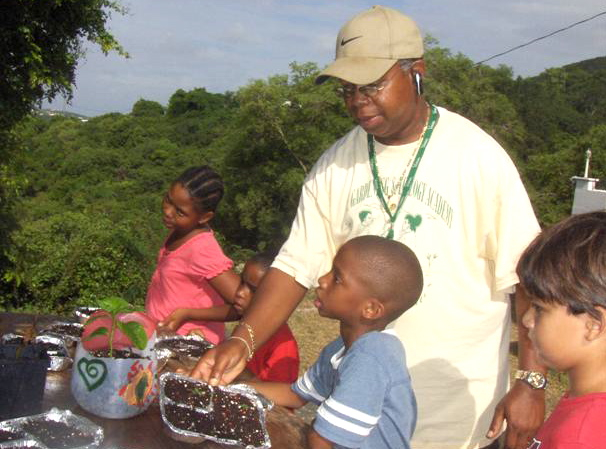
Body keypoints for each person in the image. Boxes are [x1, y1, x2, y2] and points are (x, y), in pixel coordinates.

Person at [192, 6, 544, 448]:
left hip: (457, 416)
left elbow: (528, 277)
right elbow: (297, 264)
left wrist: (532, 380)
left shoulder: (477, 157)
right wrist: (241, 342)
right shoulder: (334, 166)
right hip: (359, 420)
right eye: (347, 89)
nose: (358, 100)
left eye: (373, 85)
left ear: (416, 71)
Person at [247, 236, 422, 449]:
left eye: (337, 278)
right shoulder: (340, 348)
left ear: (371, 309)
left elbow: (322, 439)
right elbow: (295, 395)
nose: (322, 280)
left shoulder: (372, 356)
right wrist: (230, 386)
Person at [516, 212, 606, 448]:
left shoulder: (580, 438)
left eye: (539, 308)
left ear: (593, 325)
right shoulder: (585, 403)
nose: (526, 321)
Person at [159, 251, 300, 383]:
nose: (240, 293)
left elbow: (282, 400)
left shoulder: (283, 346)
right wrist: (205, 347)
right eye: (242, 283)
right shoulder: (245, 325)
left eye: (253, 290)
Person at [145, 165, 240, 345]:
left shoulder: (202, 249)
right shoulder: (180, 231)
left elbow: (242, 306)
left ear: (204, 217)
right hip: (163, 338)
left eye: (179, 212)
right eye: (168, 199)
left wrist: (187, 313)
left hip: (187, 347)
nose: (168, 211)